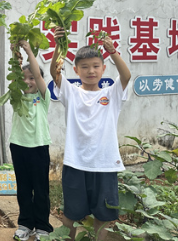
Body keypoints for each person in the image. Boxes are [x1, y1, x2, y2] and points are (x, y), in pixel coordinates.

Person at [50, 27, 131, 241]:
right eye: (84, 67)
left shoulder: (111, 94)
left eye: (96, 66)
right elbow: (54, 74)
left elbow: (126, 75)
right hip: (75, 163)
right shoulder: (72, 93)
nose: (91, 71)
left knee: (104, 216)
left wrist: (113, 52)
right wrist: (59, 46)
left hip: (104, 164)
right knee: (70, 215)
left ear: (103, 69)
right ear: (76, 71)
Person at [10, 40, 53, 241]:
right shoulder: (17, 96)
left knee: (41, 189)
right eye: (24, 79)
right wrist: (14, 52)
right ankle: (25, 224)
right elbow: (15, 76)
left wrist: (28, 51)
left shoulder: (44, 98)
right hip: (18, 146)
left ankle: (43, 227)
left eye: (32, 78)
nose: (28, 82)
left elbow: (36, 74)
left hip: (39, 147)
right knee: (24, 188)